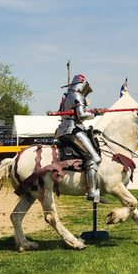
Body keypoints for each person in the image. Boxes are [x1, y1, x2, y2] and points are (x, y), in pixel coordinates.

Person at [54, 74, 103, 203]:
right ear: (80, 85)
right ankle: (92, 192)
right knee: (94, 158)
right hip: (73, 130)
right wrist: (94, 114)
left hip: (63, 130)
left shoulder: (66, 97)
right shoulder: (76, 96)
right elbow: (81, 115)